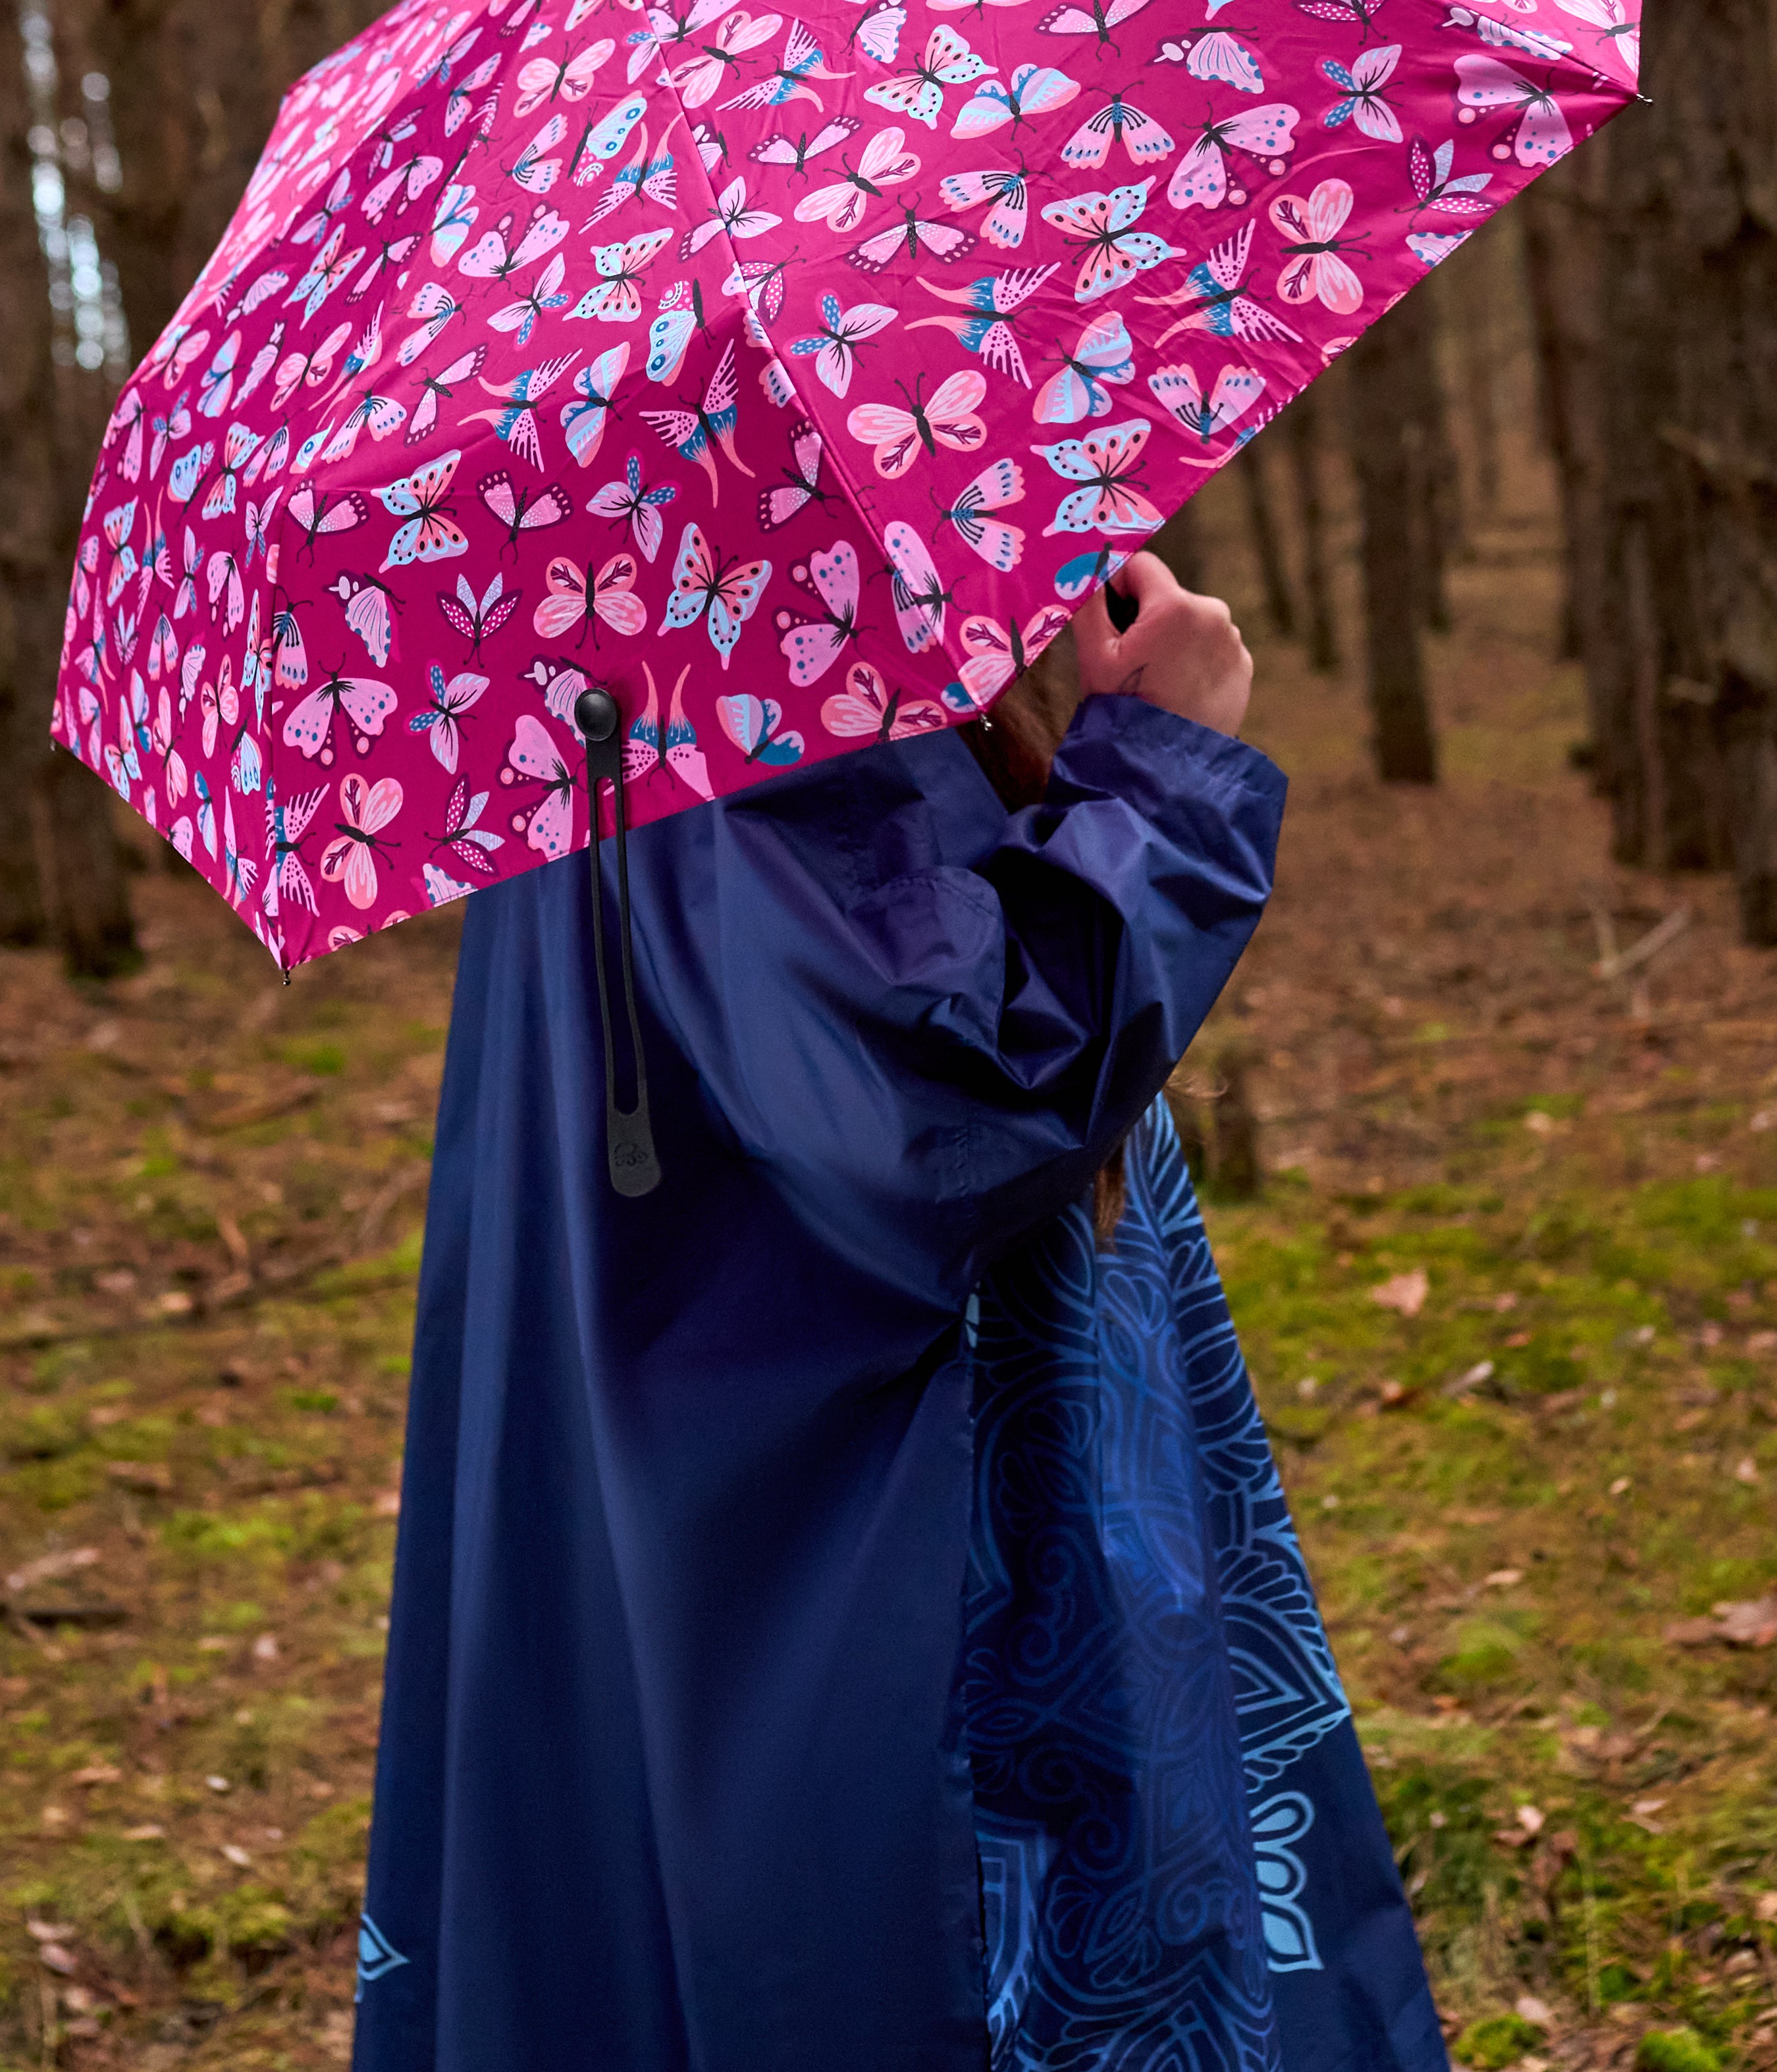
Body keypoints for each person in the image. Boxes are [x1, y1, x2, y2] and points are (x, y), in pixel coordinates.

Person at [352, 552, 1448, 2072]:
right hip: (889, 1547)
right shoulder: (729, 670)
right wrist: (1165, 769)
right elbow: (939, 1101)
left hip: (759, 1502)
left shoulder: (600, 661)